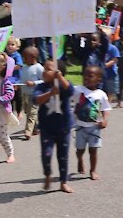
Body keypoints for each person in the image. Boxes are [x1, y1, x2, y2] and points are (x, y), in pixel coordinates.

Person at [33, 59, 75, 193]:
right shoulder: (41, 87)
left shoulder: (63, 85)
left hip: (64, 127)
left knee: (63, 155)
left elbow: (70, 91)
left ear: (58, 72)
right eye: (44, 68)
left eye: (48, 69)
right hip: (47, 128)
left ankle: (63, 182)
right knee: (47, 154)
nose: (44, 72)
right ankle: (47, 174)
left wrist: (60, 78)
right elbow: (36, 100)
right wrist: (51, 93)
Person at [73, 66, 111, 181]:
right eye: (85, 76)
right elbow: (67, 89)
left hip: (95, 127)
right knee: (80, 150)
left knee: (93, 150)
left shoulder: (101, 94)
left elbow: (106, 108)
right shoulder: (79, 90)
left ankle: (93, 170)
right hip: (80, 126)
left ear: (99, 79)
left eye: (90, 76)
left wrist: (105, 120)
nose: (87, 78)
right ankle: (80, 160)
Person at [19, 46, 44, 140]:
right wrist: (18, 84)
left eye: (26, 57)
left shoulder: (38, 68)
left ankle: (27, 132)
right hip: (25, 93)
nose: (24, 59)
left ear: (33, 57)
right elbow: (22, 78)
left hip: (34, 94)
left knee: (31, 113)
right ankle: (35, 128)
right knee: (27, 111)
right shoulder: (24, 67)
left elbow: (44, 80)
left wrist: (34, 83)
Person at [6, 36, 23, 119]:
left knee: (18, 97)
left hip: (16, 80)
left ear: (17, 47)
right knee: (9, 96)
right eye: (8, 44)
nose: (10, 46)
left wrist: (10, 67)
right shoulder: (5, 56)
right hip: (8, 80)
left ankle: (19, 112)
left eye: (12, 44)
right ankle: (10, 113)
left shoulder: (17, 56)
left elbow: (19, 66)